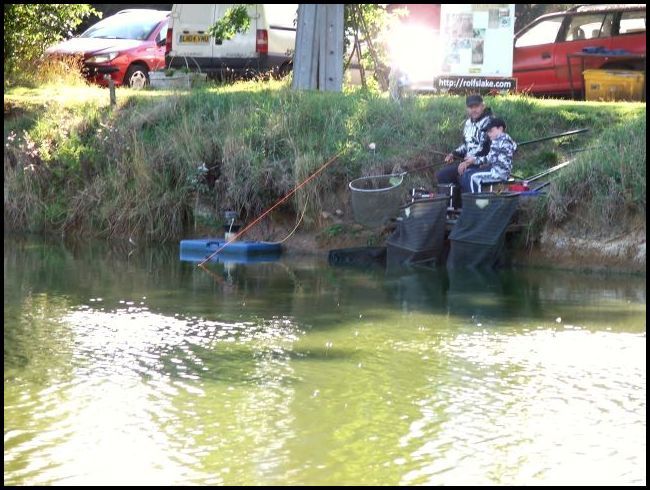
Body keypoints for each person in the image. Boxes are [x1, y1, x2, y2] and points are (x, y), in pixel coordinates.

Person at [436, 94, 493, 199]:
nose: (473, 110)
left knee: (465, 174)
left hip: (482, 162)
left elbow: (485, 147)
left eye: (476, 106)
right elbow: (466, 145)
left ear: (483, 106)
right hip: (468, 161)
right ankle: (453, 206)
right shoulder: (467, 123)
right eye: (471, 107)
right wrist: (453, 154)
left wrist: (468, 162)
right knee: (442, 174)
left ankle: (467, 205)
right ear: (467, 109)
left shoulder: (489, 122)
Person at [459, 117, 517, 193]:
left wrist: (474, 160)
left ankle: (477, 201)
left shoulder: (500, 140)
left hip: (498, 173)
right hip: (496, 170)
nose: (488, 134)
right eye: (487, 131)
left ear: (500, 128)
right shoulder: (505, 139)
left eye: (490, 131)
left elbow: (489, 158)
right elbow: (494, 157)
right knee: (468, 173)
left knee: (472, 177)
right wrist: (475, 160)